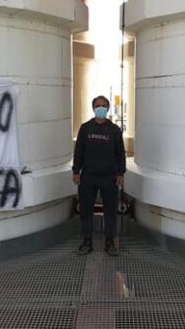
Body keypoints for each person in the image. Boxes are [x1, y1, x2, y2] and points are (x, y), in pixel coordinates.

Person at [72, 95, 126, 256]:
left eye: (103, 105)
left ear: (107, 109)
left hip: (109, 178)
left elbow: (120, 153)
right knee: (86, 211)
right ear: (93, 108)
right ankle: (87, 241)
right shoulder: (85, 128)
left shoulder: (115, 130)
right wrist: (76, 171)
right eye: (97, 105)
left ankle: (110, 242)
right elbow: (79, 152)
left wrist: (120, 173)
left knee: (110, 211)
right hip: (88, 176)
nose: (100, 108)